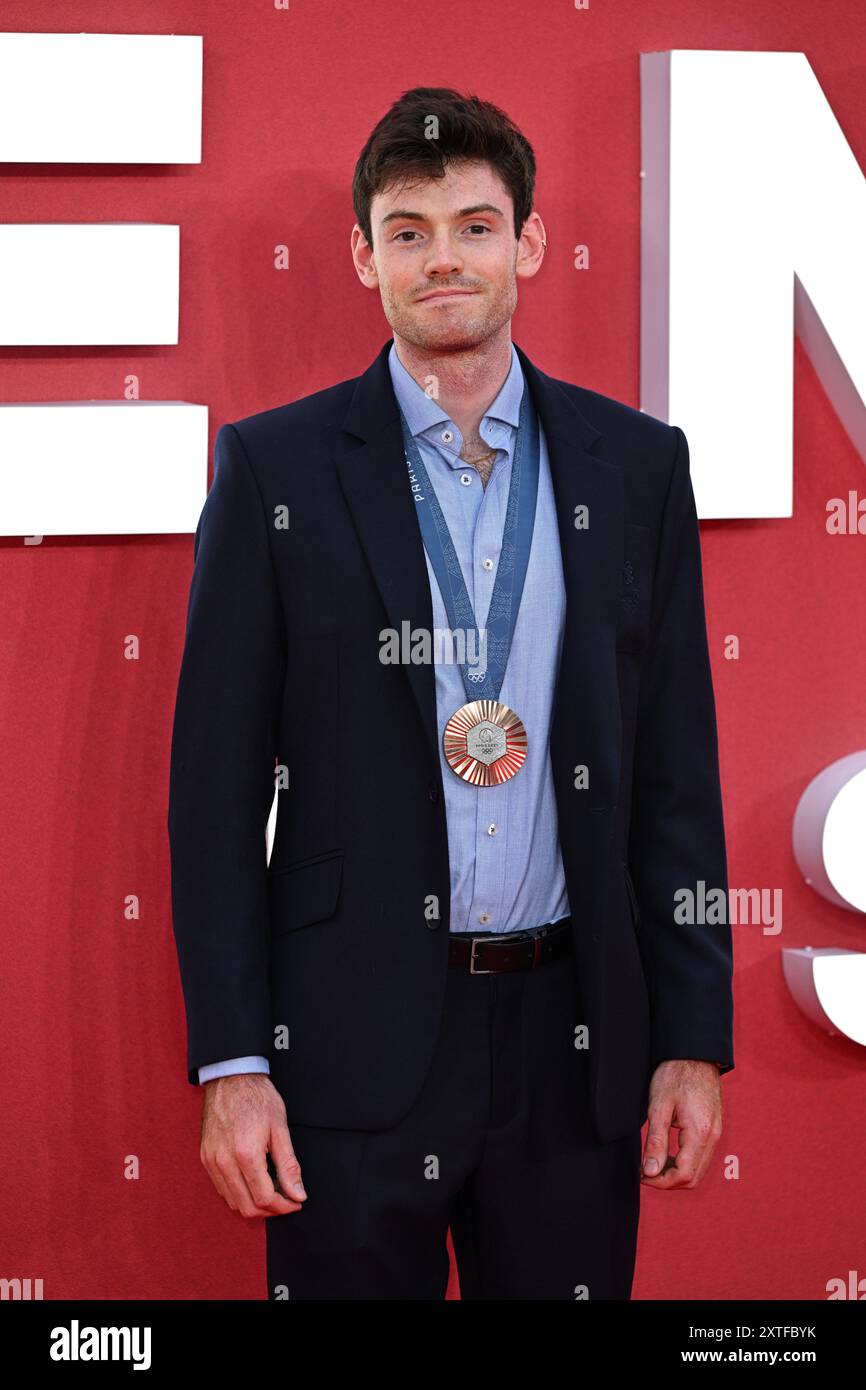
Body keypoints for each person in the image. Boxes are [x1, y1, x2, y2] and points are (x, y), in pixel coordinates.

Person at [167, 85, 734, 1300]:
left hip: (574, 1041)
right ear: (363, 254)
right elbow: (213, 796)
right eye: (409, 229)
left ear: (525, 244)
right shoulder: (275, 467)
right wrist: (230, 1058)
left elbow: (675, 774)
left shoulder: (636, 467)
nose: (443, 258)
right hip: (345, 1040)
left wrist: (690, 1039)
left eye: (474, 224)